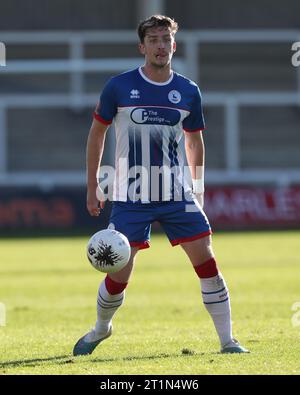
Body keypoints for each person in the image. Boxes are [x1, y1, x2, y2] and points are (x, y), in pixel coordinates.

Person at [73, 15, 249, 356]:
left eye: (165, 39)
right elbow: (97, 134)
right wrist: (93, 183)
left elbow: (195, 142)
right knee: (118, 269)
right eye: (153, 40)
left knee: (207, 262)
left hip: (175, 193)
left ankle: (228, 341)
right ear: (142, 47)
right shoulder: (119, 87)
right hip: (130, 193)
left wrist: (197, 186)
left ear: (174, 45)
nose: (160, 45)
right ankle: (100, 329)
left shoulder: (187, 91)